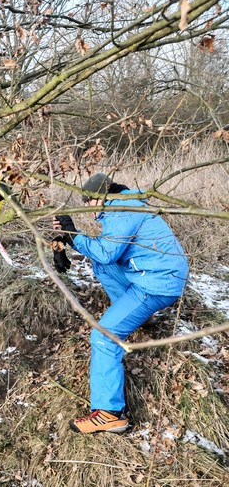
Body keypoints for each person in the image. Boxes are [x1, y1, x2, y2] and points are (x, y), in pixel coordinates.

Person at [53, 173, 189, 434]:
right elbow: (105, 255)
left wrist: (74, 234)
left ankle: (109, 413)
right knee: (102, 267)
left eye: (89, 203)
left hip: (157, 283)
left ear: (98, 198)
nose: (90, 211)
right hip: (154, 274)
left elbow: (106, 251)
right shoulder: (125, 204)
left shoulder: (122, 212)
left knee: (104, 336)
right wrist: (64, 244)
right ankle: (133, 314)